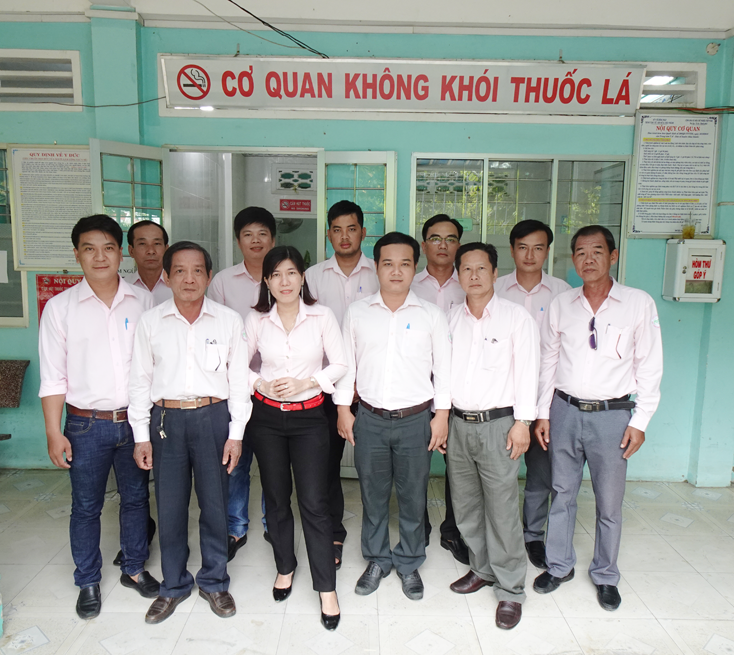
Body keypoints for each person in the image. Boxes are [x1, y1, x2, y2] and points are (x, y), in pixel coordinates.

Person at [532, 225, 663, 612]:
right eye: (581, 253)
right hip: (564, 410)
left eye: (597, 252)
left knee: (609, 502)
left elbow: (650, 364)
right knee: (562, 494)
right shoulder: (562, 304)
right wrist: (542, 413)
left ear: (613, 256)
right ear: (573, 258)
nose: (588, 260)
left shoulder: (637, 303)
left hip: (613, 416)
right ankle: (559, 565)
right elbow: (548, 362)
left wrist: (641, 420)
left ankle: (606, 574)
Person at [38, 214, 159, 620]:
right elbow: (53, 377)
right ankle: (88, 580)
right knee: (86, 506)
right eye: (89, 249)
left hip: (135, 421)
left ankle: (134, 568)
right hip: (84, 424)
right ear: (77, 255)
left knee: (136, 499)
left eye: (108, 248)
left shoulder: (143, 302)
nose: (100, 256)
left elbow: (155, 365)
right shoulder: (60, 309)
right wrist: (53, 432)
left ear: (121, 253)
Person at [128, 241, 251, 624]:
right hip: (166, 420)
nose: (189, 278)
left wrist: (236, 433)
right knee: (170, 505)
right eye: (179, 271)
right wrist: (140, 435)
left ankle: (214, 581)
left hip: (214, 417)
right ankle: (174, 585)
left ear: (209, 276)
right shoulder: (151, 322)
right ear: (166, 277)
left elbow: (239, 381)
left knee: (215, 503)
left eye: (197, 270)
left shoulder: (228, 321)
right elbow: (139, 380)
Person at [336, 232, 451, 601]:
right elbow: (346, 366)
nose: (396, 271)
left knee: (413, 496)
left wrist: (442, 415)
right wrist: (343, 409)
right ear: (376, 267)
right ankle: (377, 559)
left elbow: (444, 370)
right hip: (369, 418)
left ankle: (409, 562)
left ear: (415, 268)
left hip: (416, 420)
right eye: (388, 263)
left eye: (404, 264)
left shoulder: (431, 316)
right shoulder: (357, 313)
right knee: (373, 494)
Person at [245, 246, 347, 631]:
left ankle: (326, 587)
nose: (284, 281)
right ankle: (285, 567)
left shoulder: (322, 316)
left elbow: (340, 363)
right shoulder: (256, 320)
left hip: (310, 419)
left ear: (302, 277)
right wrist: (260, 383)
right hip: (267, 420)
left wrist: (307, 382)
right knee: (276, 498)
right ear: (267, 281)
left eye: (291, 273)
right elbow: (238, 366)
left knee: (314, 502)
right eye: (276, 275)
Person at [446, 242, 539, 630]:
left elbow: (529, 372)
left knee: (502, 509)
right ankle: (482, 569)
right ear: (458, 275)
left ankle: (511, 590)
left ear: (495, 273)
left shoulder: (516, 318)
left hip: (500, 425)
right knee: (466, 506)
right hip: (458, 423)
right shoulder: (450, 318)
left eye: (481, 268)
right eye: (466, 269)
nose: (473, 275)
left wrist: (524, 422)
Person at [305, 200, 379, 569]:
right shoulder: (312, 277)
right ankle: (333, 531)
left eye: (351, 228)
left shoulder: (381, 272)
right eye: (337, 229)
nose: (344, 236)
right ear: (328, 234)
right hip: (327, 389)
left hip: (375, 388)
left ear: (363, 232)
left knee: (378, 466)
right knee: (326, 464)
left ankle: (380, 536)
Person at [494, 219, 571, 570]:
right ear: (512, 250)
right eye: (523, 247)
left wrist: (543, 410)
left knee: (540, 473)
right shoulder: (494, 289)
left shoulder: (563, 293)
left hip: (545, 399)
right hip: (500, 399)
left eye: (538, 248)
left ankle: (532, 535)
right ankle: (500, 535)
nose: (530, 255)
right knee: (498, 475)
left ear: (547, 252)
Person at [208, 207, 276, 561]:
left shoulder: (284, 277)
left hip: (276, 390)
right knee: (235, 460)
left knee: (273, 463)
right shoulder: (222, 282)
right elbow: (213, 332)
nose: (255, 241)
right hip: (234, 388)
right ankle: (236, 526)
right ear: (238, 241)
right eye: (248, 234)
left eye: (262, 233)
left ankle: (272, 523)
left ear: (273, 239)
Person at [409, 213, 469, 564]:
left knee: (457, 470)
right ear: (424, 245)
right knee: (414, 467)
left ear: (459, 245)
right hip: (416, 393)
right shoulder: (410, 285)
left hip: (459, 393)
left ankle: (453, 530)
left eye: (450, 239)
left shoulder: (470, 284)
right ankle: (418, 526)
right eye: (435, 238)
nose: (443, 245)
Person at [124, 219, 172, 306]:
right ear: (131, 251)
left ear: (166, 250)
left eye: (157, 243)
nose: (151, 251)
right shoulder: (123, 287)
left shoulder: (181, 286)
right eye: (142, 244)